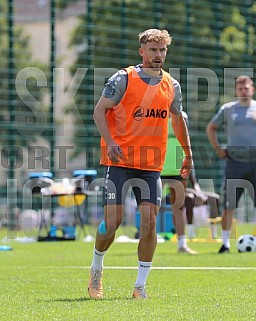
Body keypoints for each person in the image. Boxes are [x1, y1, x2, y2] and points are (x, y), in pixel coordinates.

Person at [88, 28, 193, 299]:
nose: (158, 55)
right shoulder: (123, 78)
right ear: (142, 51)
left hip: (151, 166)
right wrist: (110, 141)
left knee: (149, 223)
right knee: (113, 223)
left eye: (163, 50)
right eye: (153, 50)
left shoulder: (172, 84)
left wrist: (188, 154)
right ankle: (96, 268)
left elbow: (178, 120)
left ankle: (140, 286)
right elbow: (99, 111)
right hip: (120, 162)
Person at [207, 75, 256, 253]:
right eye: (240, 88)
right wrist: (218, 149)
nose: (244, 90)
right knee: (230, 204)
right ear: (236, 90)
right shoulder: (227, 109)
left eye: (247, 87)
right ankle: (226, 243)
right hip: (234, 163)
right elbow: (211, 128)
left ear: (253, 89)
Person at [161, 111, 198, 254]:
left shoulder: (183, 116)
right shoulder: (158, 114)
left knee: (178, 207)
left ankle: (182, 244)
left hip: (178, 167)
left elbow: (186, 141)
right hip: (158, 167)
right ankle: (145, 241)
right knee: (151, 208)